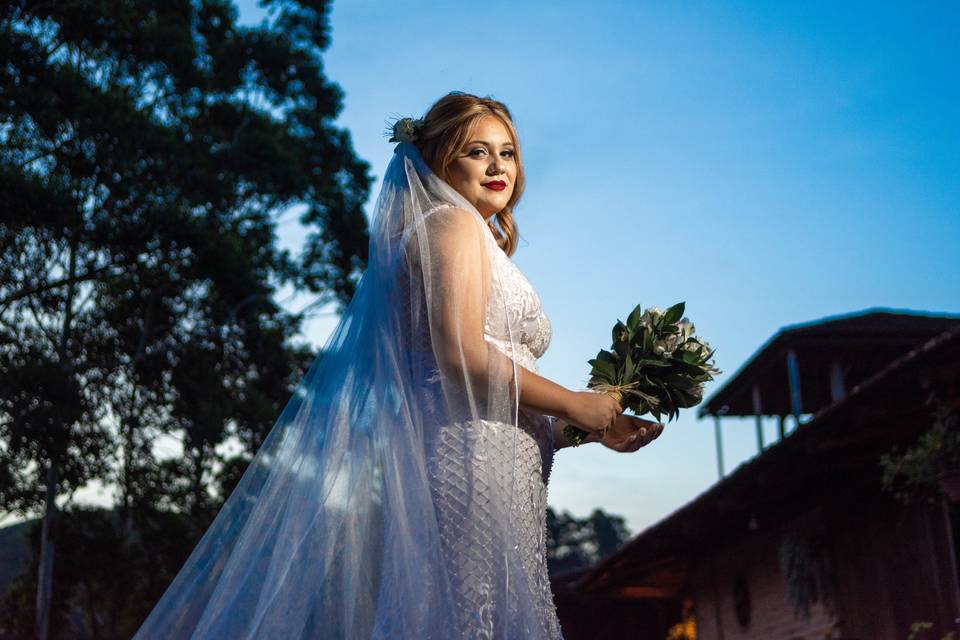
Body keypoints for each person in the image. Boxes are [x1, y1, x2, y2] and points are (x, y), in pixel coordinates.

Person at [131, 91, 663, 640]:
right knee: (469, 618)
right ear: (437, 160)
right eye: (477, 151)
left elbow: (486, 384)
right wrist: (577, 402)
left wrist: (581, 427)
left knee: (478, 614)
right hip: (471, 458)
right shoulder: (450, 227)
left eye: (507, 153)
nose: (498, 166)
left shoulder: (469, 237)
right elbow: (459, 355)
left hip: (505, 461)